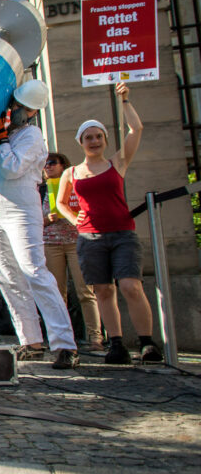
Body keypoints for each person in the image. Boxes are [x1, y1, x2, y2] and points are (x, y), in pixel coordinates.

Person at [0, 80, 79, 370]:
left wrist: (4, 141)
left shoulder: (32, 136)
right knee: (7, 277)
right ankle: (30, 340)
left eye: (19, 107)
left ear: (31, 112)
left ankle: (64, 343)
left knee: (33, 271)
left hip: (21, 208)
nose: (13, 110)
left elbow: (11, 168)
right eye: (13, 105)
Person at [57, 82, 162, 364]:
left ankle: (147, 342)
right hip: (90, 238)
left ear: (104, 139)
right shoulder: (72, 172)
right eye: (88, 137)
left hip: (122, 234)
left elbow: (136, 130)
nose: (94, 141)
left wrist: (125, 101)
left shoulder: (118, 162)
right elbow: (60, 203)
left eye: (98, 136)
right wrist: (74, 220)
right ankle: (116, 344)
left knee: (130, 286)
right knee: (102, 290)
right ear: (81, 142)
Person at [42, 153, 103, 351]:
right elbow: (34, 221)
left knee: (85, 291)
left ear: (63, 165)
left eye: (51, 163)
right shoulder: (41, 189)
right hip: (51, 243)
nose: (47, 167)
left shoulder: (75, 183)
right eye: (44, 164)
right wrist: (48, 219)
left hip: (76, 242)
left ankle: (96, 338)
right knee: (57, 294)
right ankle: (64, 339)